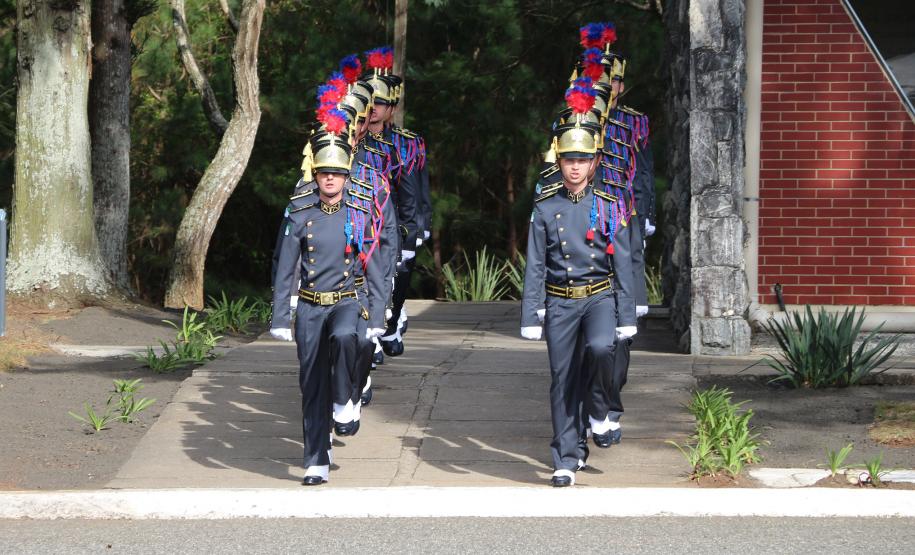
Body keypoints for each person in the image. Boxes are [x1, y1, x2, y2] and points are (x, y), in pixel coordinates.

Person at [520, 81, 637, 487]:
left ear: (594, 162)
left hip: (600, 297)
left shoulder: (608, 204)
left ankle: (600, 410)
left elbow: (623, 263)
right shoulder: (545, 206)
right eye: (569, 159)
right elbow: (536, 262)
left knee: (603, 349)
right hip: (560, 301)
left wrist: (627, 313)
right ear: (559, 160)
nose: (574, 167)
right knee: (563, 378)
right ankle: (567, 457)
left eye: (582, 160)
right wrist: (531, 312)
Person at [270, 83, 385, 486]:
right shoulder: (300, 210)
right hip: (309, 304)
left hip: (349, 299)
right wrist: (280, 315)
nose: (330, 178)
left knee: (346, 338)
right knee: (310, 381)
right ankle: (316, 458)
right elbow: (286, 265)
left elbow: (374, 263)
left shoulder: (359, 208)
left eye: (337, 172)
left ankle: (344, 398)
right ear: (316, 174)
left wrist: (379, 313)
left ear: (346, 174)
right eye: (324, 172)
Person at [362, 46, 430, 360]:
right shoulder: (352, 141)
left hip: (396, 224)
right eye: (369, 102)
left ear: (391, 107)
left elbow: (414, 193)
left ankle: (391, 321)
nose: (374, 109)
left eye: (380, 103)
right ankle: (371, 338)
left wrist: (415, 229)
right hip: (360, 222)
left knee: (398, 277)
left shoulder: (406, 143)